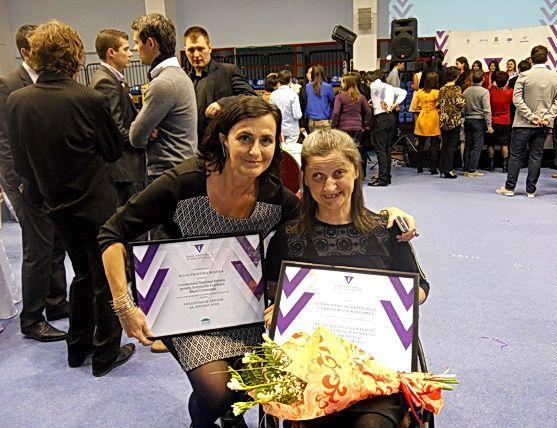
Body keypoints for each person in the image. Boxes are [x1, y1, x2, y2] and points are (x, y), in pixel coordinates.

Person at [97, 96, 418, 427]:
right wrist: (123, 305)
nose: (255, 151)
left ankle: (229, 414)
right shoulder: (184, 182)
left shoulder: (273, 196)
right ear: (224, 139)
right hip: (186, 306)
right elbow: (112, 234)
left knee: (255, 380)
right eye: (244, 138)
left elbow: (324, 216)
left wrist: (386, 216)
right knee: (217, 391)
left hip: (244, 307)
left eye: (266, 140)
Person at [263, 128, 429, 428]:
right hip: (310, 371)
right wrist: (276, 312)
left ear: (355, 170)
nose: (329, 186)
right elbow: (272, 295)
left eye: (339, 173)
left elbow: (420, 288)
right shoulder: (288, 236)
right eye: (317, 176)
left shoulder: (386, 230)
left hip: (376, 368)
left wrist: (389, 301)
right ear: (305, 179)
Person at [6, 21, 134, 376]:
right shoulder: (88, 98)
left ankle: (77, 347)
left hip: (54, 205)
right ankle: (105, 354)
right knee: (106, 277)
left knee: (81, 274)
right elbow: (113, 151)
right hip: (96, 204)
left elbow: (20, 164)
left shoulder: (17, 101)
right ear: (75, 55)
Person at [0, 24, 69, 341]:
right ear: (25, 51)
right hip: (24, 183)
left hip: (49, 180)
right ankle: (31, 320)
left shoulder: (48, 80)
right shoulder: (8, 84)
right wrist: (18, 182)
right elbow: (4, 140)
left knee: (55, 243)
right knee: (37, 249)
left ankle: (56, 303)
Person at [129, 14, 197, 182]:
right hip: (180, 171)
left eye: (137, 42)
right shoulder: (179, 76)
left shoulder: (163, 83)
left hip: (167, 176)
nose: (135, 49)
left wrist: (145, 128)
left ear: (150, 43)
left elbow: (136, 137)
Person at [497, 45, 557, 197]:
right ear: (546, 58)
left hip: (523, 123)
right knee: (536, 157)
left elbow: (517, 100)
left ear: (531, 58)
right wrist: (547, 117)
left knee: (516, 156)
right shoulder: (556, 77)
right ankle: (531, 190)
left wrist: (531, 116)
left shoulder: (524, 76)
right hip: (543, 124)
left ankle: (509, 188)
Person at [90, 29, 146, 207]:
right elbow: (117, 129)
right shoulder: (105, 81)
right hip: (125, 170)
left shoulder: (112, 79)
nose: (131, 54)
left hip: (125, 169)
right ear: (111, 52)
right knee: (132, 218)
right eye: (126, 49)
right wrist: (144, 136)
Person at [184, 26, 256, 141]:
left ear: (210, 48)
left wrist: (222, 103)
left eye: (200, 49)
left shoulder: (228, 71)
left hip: (223, 143)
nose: (196, 55)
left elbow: (251, 97)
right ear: (185, 50)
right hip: (193, 145)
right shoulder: (185, 81)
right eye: (191, 50)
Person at [366, 71, 407, 186]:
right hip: (391, 118)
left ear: (368, 81)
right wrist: (395, 103)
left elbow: (378, 93)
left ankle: (382, 178)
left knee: (380, 150)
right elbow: (403, 92)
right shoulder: (388, 86)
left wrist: (377, 103)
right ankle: (387, 176)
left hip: (380, 119)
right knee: (387, 149)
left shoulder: (374, 86)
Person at [331, 73, 372, 174]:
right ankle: (358, 174)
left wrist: (334, 126)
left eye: (342, 82)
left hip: (343, 129)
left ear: (347, 83)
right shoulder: (361, 97)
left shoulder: (340, 97)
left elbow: (335, 113)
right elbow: (368, 111)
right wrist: (364, 125)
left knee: (344, 153)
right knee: (356, 152)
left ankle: (346, 173)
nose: (341, 84)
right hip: (357, 128)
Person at [462, 70, 493, 177]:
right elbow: (487, 110)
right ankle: (472, 170)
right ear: (483, 79)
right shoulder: (484, 92)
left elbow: (463, 107)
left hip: (467, 120)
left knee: (468, 146)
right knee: (477, 147)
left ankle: (466, 169)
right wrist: (489, 125)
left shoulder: (466, 91)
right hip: (478, 121)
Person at [437, 67, 465, 178]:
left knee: (444, 144)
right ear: (456, 76)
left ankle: (442, 167)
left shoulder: (442, 88)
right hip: (454, 120)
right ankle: (448, 169)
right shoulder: (457, 88)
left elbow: (439, 103)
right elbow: (460, 104)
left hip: (443, 119)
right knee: (451, 146)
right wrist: (464, 102)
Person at [269, 69, 302, 154]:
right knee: (291, 154)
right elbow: (297, 115)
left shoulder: (273, 94)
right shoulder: (293, 94)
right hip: (292, 130)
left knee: (280, 153)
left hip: (279, 129)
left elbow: (272, 113)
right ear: (290, 80)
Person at [413, 72, 440, 174]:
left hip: (422, 117)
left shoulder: (420, 92)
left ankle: (419, 167)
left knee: (421, 144)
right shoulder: (437, 92)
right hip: (433, 117)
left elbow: (414, 106)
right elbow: (440, 106)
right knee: (434, 145)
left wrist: (422, 109)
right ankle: (433, 168)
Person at [488, 71, 513, 172]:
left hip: (492, 121)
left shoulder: (491, 91)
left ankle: (491, 165)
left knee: (490, 143)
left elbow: (492, 86)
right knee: (504, 144)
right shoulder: (510, 92)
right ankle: (505, 166)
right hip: (505, 121)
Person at [305, 64, 335, 132]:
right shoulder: (328, 87)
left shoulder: (307, 86)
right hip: (324, 120)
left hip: (312, 120)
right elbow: (332, 100)